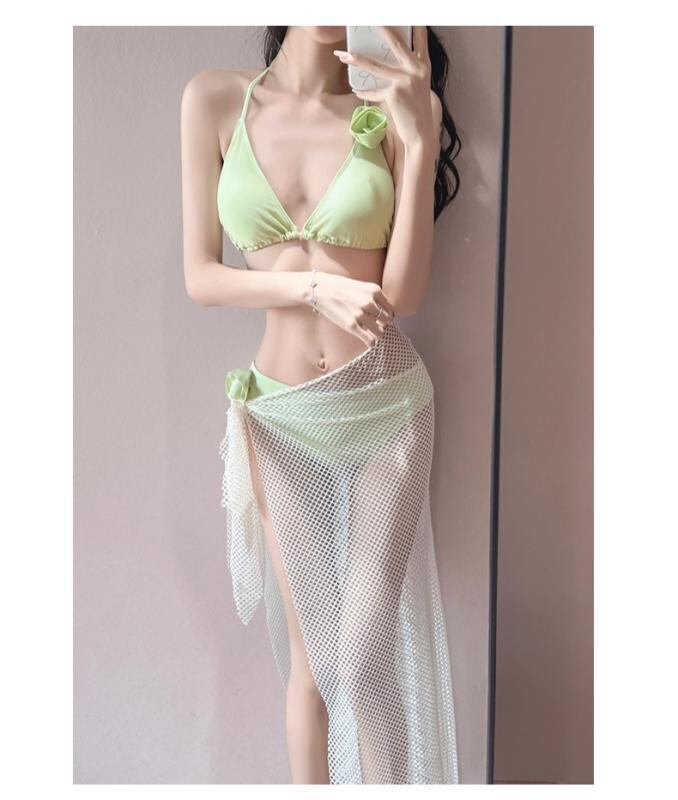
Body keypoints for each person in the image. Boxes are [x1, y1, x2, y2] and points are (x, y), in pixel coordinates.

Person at [181, 25, 462, 785]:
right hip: (280, 418)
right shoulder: (214, 100)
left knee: (362, 657)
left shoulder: (395, 107)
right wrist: (312, 287)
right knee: (312, 662)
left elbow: (402, 294)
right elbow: (201, 276)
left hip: (384, 407)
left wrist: (420, 136)